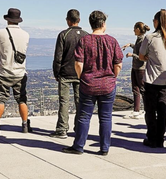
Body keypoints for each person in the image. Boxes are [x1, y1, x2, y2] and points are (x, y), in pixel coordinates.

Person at [62, 10, 123, 155]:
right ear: (103, 23)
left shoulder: (84, 41)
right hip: (108, 84)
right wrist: (113, 77)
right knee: (106, 117)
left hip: (88, 84)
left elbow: (78, 63)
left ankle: (78, 146)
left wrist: (81, 77)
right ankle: (104, 148)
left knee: (84, 116)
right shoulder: (112, 41)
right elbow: (118, 64)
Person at [0, 7, 30, 135]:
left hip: (4, 71)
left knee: (0, 99)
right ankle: (25, 125)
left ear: (7, 19)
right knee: (21, 99)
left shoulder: (0, 32)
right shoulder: (26, 34)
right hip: (20, 73)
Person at [138, 9, 166, 148]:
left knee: (150, 111)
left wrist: (148, 57)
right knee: (162, 111)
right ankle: (160, 138)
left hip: (151, 79)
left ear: (156, 21)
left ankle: (152, 137)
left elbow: (141, 56)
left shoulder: (150, 37)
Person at [49, 9, 87, 139]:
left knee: (64, 102)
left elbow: (58, 56)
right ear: (79, 20)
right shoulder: (86, 36)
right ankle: (79, 129)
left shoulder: (63, 35)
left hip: (65, 73)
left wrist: (56, 72)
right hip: (81, 74)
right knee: (80, 102)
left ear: (68, 20)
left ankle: (62, 129)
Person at [122, 22, 149, 119]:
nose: (133, 30)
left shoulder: (143, 40)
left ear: (138, 29)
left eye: (134, 28)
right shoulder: (139, 39)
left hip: (140, 68)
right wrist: (130, 45)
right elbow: (137, 49)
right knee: (136, 89)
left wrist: (132, 55)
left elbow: (143, 57)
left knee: (142, 89)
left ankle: (146, 111)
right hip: (135, 67)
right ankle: (136, 110)